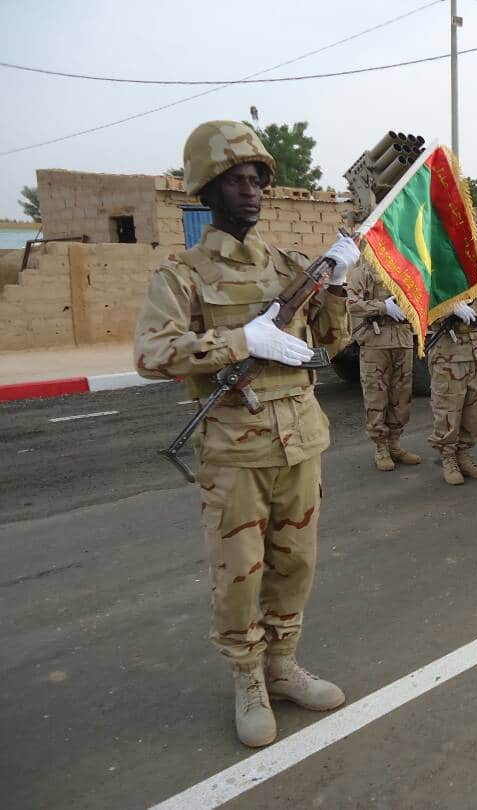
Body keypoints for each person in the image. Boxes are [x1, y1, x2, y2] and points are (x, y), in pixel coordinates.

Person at [133, 121, 357, 747]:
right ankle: (247, 678)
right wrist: (240, 339)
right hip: (235, 448)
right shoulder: (182, 274)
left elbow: (332, 345)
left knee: (296, 562)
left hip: (300, 437)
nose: (253, 191)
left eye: (258, 179)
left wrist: (336, 284)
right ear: (209, 190)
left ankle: (283, 666)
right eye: (238, 180)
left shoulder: (287, 265)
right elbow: (151, 355)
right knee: (240, 571)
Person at [348, 257, 422, 470]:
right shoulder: (363, 271)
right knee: (376, 394)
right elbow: (351, 305)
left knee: (402, 395)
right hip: (376, 340)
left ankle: (395, 444)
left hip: (403, 338)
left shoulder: (405, 269)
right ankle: (381, 447)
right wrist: (382, 307)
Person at [427, 284, 477, 485]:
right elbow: (424, 308)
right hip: (450, 354)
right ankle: (448, 458)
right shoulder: (438, 273)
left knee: (473, 411)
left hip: (476, 353)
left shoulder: (475, 274)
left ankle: (464, 455)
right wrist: (451, 308)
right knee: (448, 410)